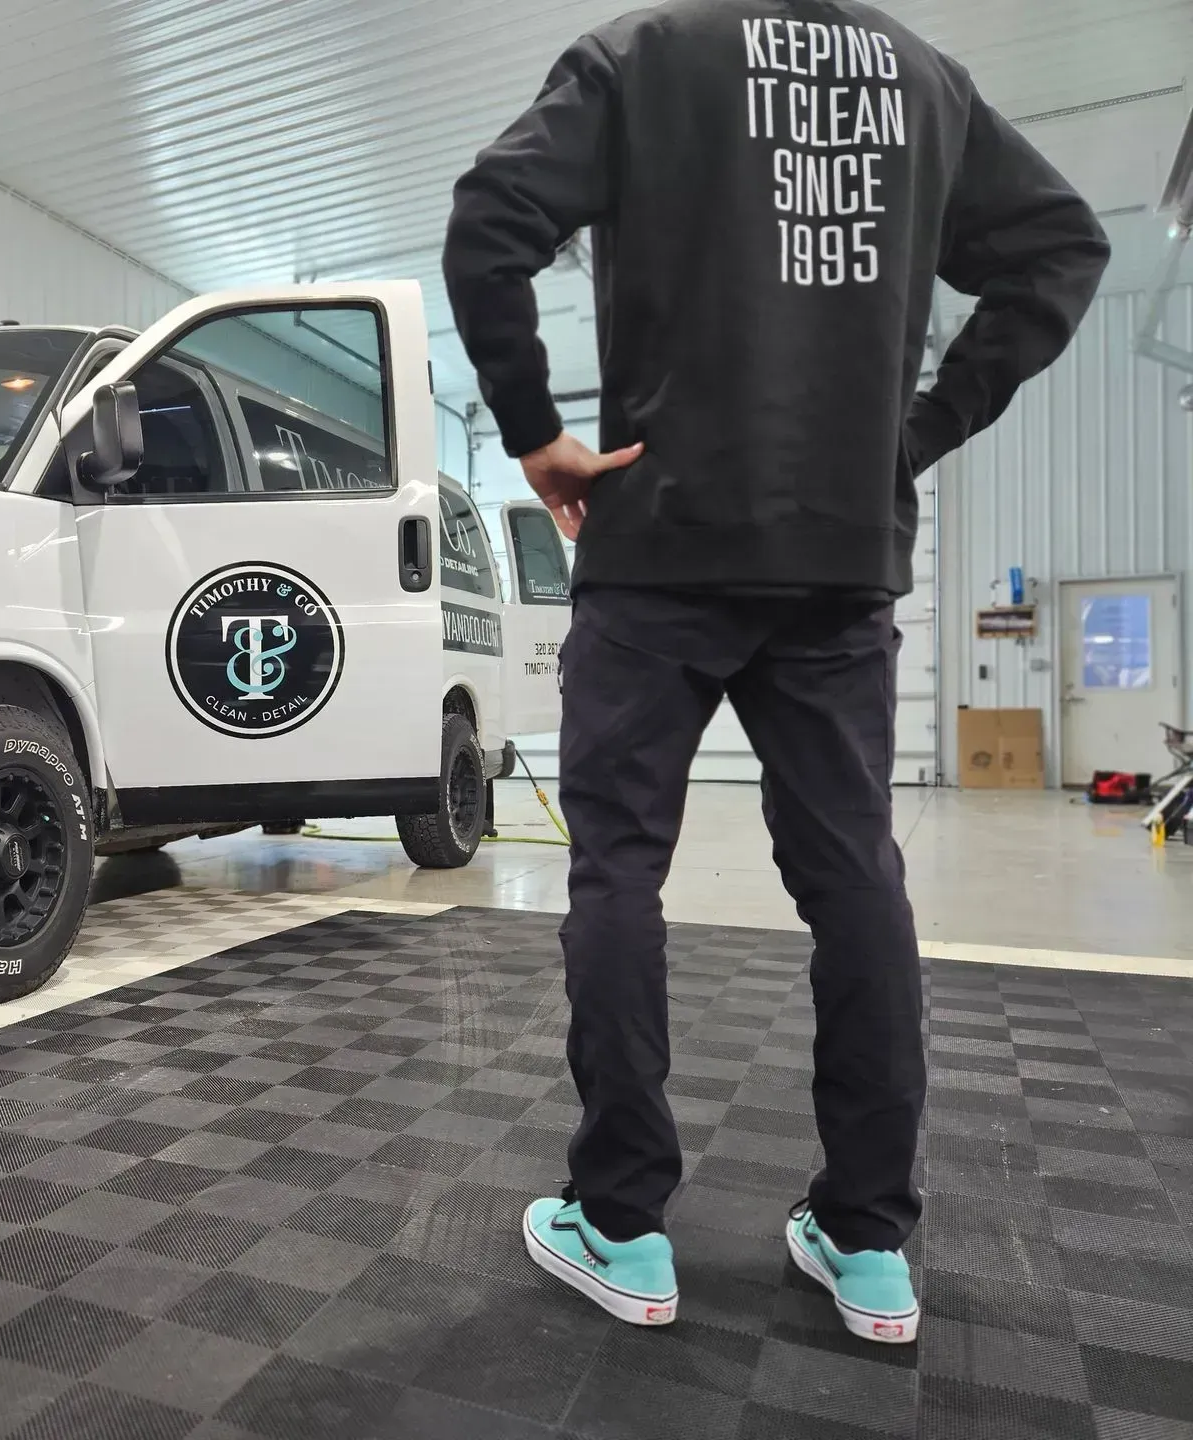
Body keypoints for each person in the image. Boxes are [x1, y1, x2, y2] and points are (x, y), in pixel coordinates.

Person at [444, 0, 1108, 1344]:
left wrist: (530, 431)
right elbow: (1062, 247)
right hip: (839, 553)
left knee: (618, 866)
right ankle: (869, 1245)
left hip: (657, 538)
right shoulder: (925, 82)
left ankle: (621, 1225)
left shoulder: (644, 56)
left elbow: (490, 220)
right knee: (854, 874)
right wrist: (913, 436)